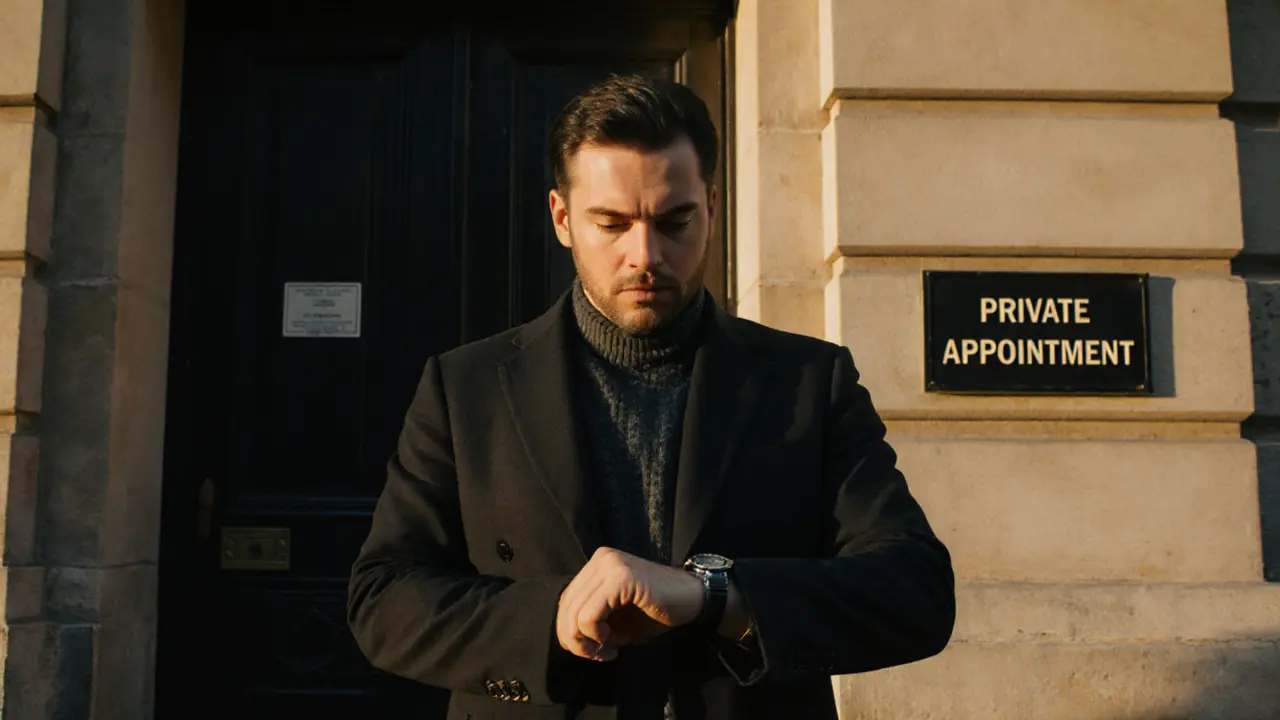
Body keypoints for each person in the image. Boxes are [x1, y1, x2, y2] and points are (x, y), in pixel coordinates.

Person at [347, 74, 955, 720]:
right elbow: (383, 599)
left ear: (713, 209)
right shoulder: (465, 387)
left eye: (674, 221)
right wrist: (551, 619)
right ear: (561, 219)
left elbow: (914, 592)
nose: (645, 255)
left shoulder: (809, 381)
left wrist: (714, 595)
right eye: (611, 223)